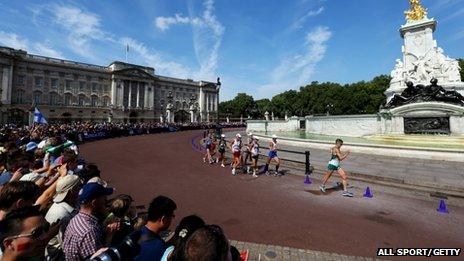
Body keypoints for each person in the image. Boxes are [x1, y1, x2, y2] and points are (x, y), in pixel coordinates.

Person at [62, 182, 115, 261]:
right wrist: (110, 235)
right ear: (94, 203)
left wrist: (105, 231)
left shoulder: (75, 219)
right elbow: (100, 259)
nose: (106, 199)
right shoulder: (89, 231)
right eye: (103, 197)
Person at [45, 175, 81, 260]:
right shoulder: (62, 214)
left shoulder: (73, 202)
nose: (81, 189)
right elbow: (68, 245)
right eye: (79, 186)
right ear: (72, 191)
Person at [135, 195, 177, 261]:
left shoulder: (135, 234)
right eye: (172, 216)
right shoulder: (158, 247)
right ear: (163, 219)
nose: (172, 219)